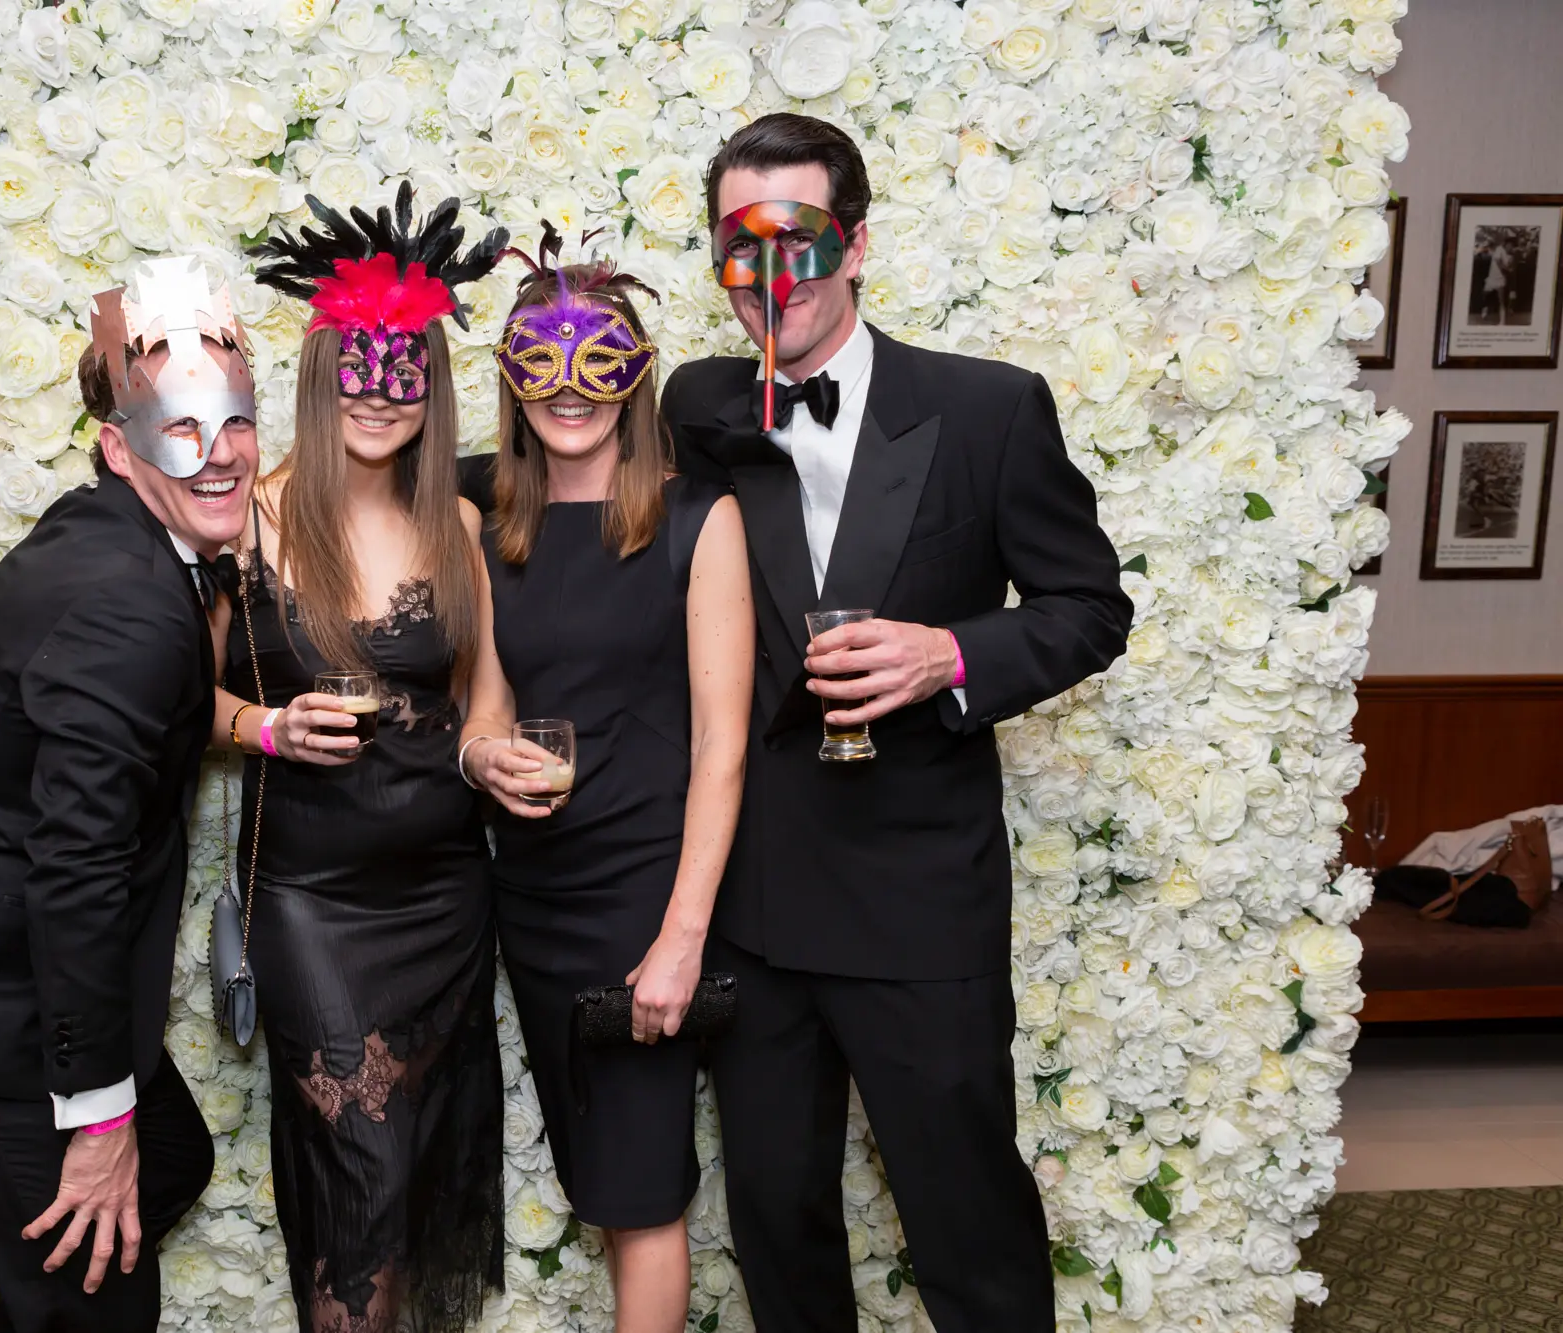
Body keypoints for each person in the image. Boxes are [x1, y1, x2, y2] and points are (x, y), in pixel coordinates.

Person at [661, 113, 1133, 1333]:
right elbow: (552, 487)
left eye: (799, 244)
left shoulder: (986, 410)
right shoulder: (697, 402)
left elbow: (1089, 609)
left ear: (856, 243)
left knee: (964, 1222)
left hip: (921, 900)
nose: (770, 283)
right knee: (775, 1220)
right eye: (737, 249)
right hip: (754, 907)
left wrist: (951, 653)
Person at [0, 257, 257, 1332]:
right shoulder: (123, 603)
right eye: (177, 428)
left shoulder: (109, 532)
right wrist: (95, 1117)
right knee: (102, 1305)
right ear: (120, 444)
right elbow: (76, 867)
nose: (214, 457)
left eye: (231, 423)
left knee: (169, 1161)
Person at [216, 183, 508, 1333]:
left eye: (406, 368)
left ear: (430, 385)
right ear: (316, 374)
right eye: (356, 364)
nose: (379, 392)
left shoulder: (461, 525)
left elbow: (485, 699)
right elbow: (189, 697)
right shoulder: (246, 519)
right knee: (362, 1173)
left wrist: (496, 759)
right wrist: (265, 727)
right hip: (313, 903)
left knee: (415, 1171)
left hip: (443, 894)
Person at [458, 240, 754, 1333]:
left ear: (634, 375)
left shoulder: (696, 521)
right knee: (600, 1178)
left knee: (638, 1192)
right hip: (532, 899)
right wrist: (478, 752)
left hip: (642, 899)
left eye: (596, 365)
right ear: (509, 376)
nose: (568, 391)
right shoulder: (492, 526)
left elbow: (721, 749)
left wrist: (680, 939)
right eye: (541, 367)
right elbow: (485, 703)